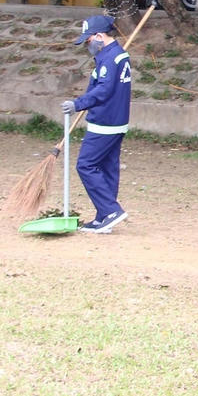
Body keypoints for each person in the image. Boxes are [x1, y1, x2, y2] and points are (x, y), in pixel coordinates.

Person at [62, 15, 132, 233]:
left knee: (86, 165)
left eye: (89, 40)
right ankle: (105, 218)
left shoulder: (111, 59)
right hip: (117, 121)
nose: (87, 45)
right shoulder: (113, 55)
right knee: (107, 168)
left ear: (100, 36)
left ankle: (110, 210)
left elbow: (102, 90)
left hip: (105, 122)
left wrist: (77, 104)